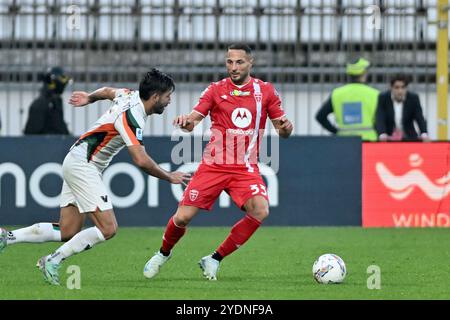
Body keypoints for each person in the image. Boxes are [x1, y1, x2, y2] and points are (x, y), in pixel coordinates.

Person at [0, 68, 190, 285]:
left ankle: (7, 237)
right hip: (84, 165)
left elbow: (108, 91)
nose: (169, 101)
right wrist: (169, 176)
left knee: (68, 230)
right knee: (108, 228)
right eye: (167, 96)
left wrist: (89, 98)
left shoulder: (128, 94)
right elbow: (141, 160)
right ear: (155, 96)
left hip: (76, 159)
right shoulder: (132, 115)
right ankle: (53, 260)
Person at [143, 43, 293, 281]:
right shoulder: (215, 90)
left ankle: (214, 259)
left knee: (260, 210)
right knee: (182, 217)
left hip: (245, 167)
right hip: (213, 165)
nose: (233, 67)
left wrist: (286, 127)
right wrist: (185, 122)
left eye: (239, 62)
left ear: (250, 63)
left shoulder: (266, 91)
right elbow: (193, 121)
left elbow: (283, 131)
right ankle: (163, 254)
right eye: (229, 62)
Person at [315, 58, 379, 141]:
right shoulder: (375, 94)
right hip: (369, 141)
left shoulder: (337, 94)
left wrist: (336, 132)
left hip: (345, 142)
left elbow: (320, 116)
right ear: (364, 73)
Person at [375, 74, 430, 142]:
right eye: (397, 87)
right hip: (389, 138)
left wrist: (424, 133)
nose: (400, 91)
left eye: (403, 87)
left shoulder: (413, 98)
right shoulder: (383, 98)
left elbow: (419, 117)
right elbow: (380, 117)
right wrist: (382, 133)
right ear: (391, 87)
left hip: (409, 137)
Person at [24, 67, 71, 135]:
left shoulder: (56, 102)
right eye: (62, 79)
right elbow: (31, 135)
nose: (64, 83)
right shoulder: (41, 104)